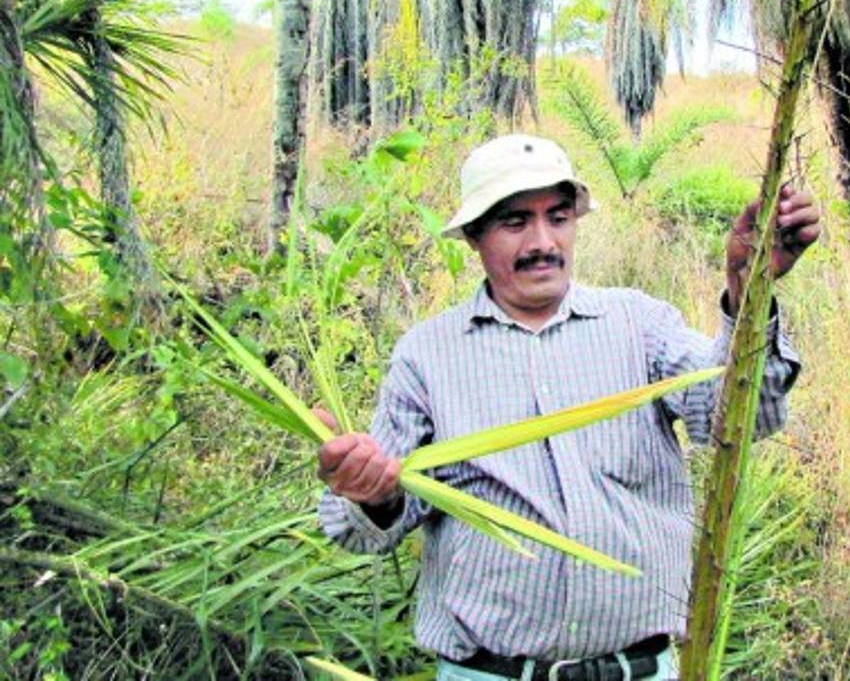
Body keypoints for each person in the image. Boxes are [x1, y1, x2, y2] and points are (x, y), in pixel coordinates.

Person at [316, 134, 821, 681]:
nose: (542, 241)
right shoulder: (428, 355)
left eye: (558, 217)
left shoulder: (639, 325)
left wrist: (750, 287)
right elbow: (363, 530)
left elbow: (740, 419)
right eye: (514, 223)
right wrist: (373, 494)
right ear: (473, 237)